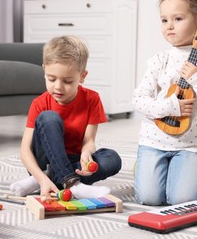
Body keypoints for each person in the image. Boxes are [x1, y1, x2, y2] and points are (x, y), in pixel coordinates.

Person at [132, 0, 197, 206]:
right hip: (153, 141)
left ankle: (195, 176)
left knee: (181, 200)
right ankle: (145, 167)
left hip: (189, 145)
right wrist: (170, 107)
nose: (169, 26)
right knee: (148, 198)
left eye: (177, 18)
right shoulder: (160, 60)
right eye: (164, 20)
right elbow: (138, 99)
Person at [10, 35, 122, 199]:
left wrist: (86, 154)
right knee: (49, 117)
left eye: (68, 81)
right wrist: (42, 178)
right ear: (44, 71)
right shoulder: (39, 103)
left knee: (112, 159)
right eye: (51, 79)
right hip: (45, 160)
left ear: (82, 76)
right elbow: (25, 150)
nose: (58, 87)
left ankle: (43, 179)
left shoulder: (92, 99)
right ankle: (72, 184)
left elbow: (89, 140)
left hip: (73, 161)